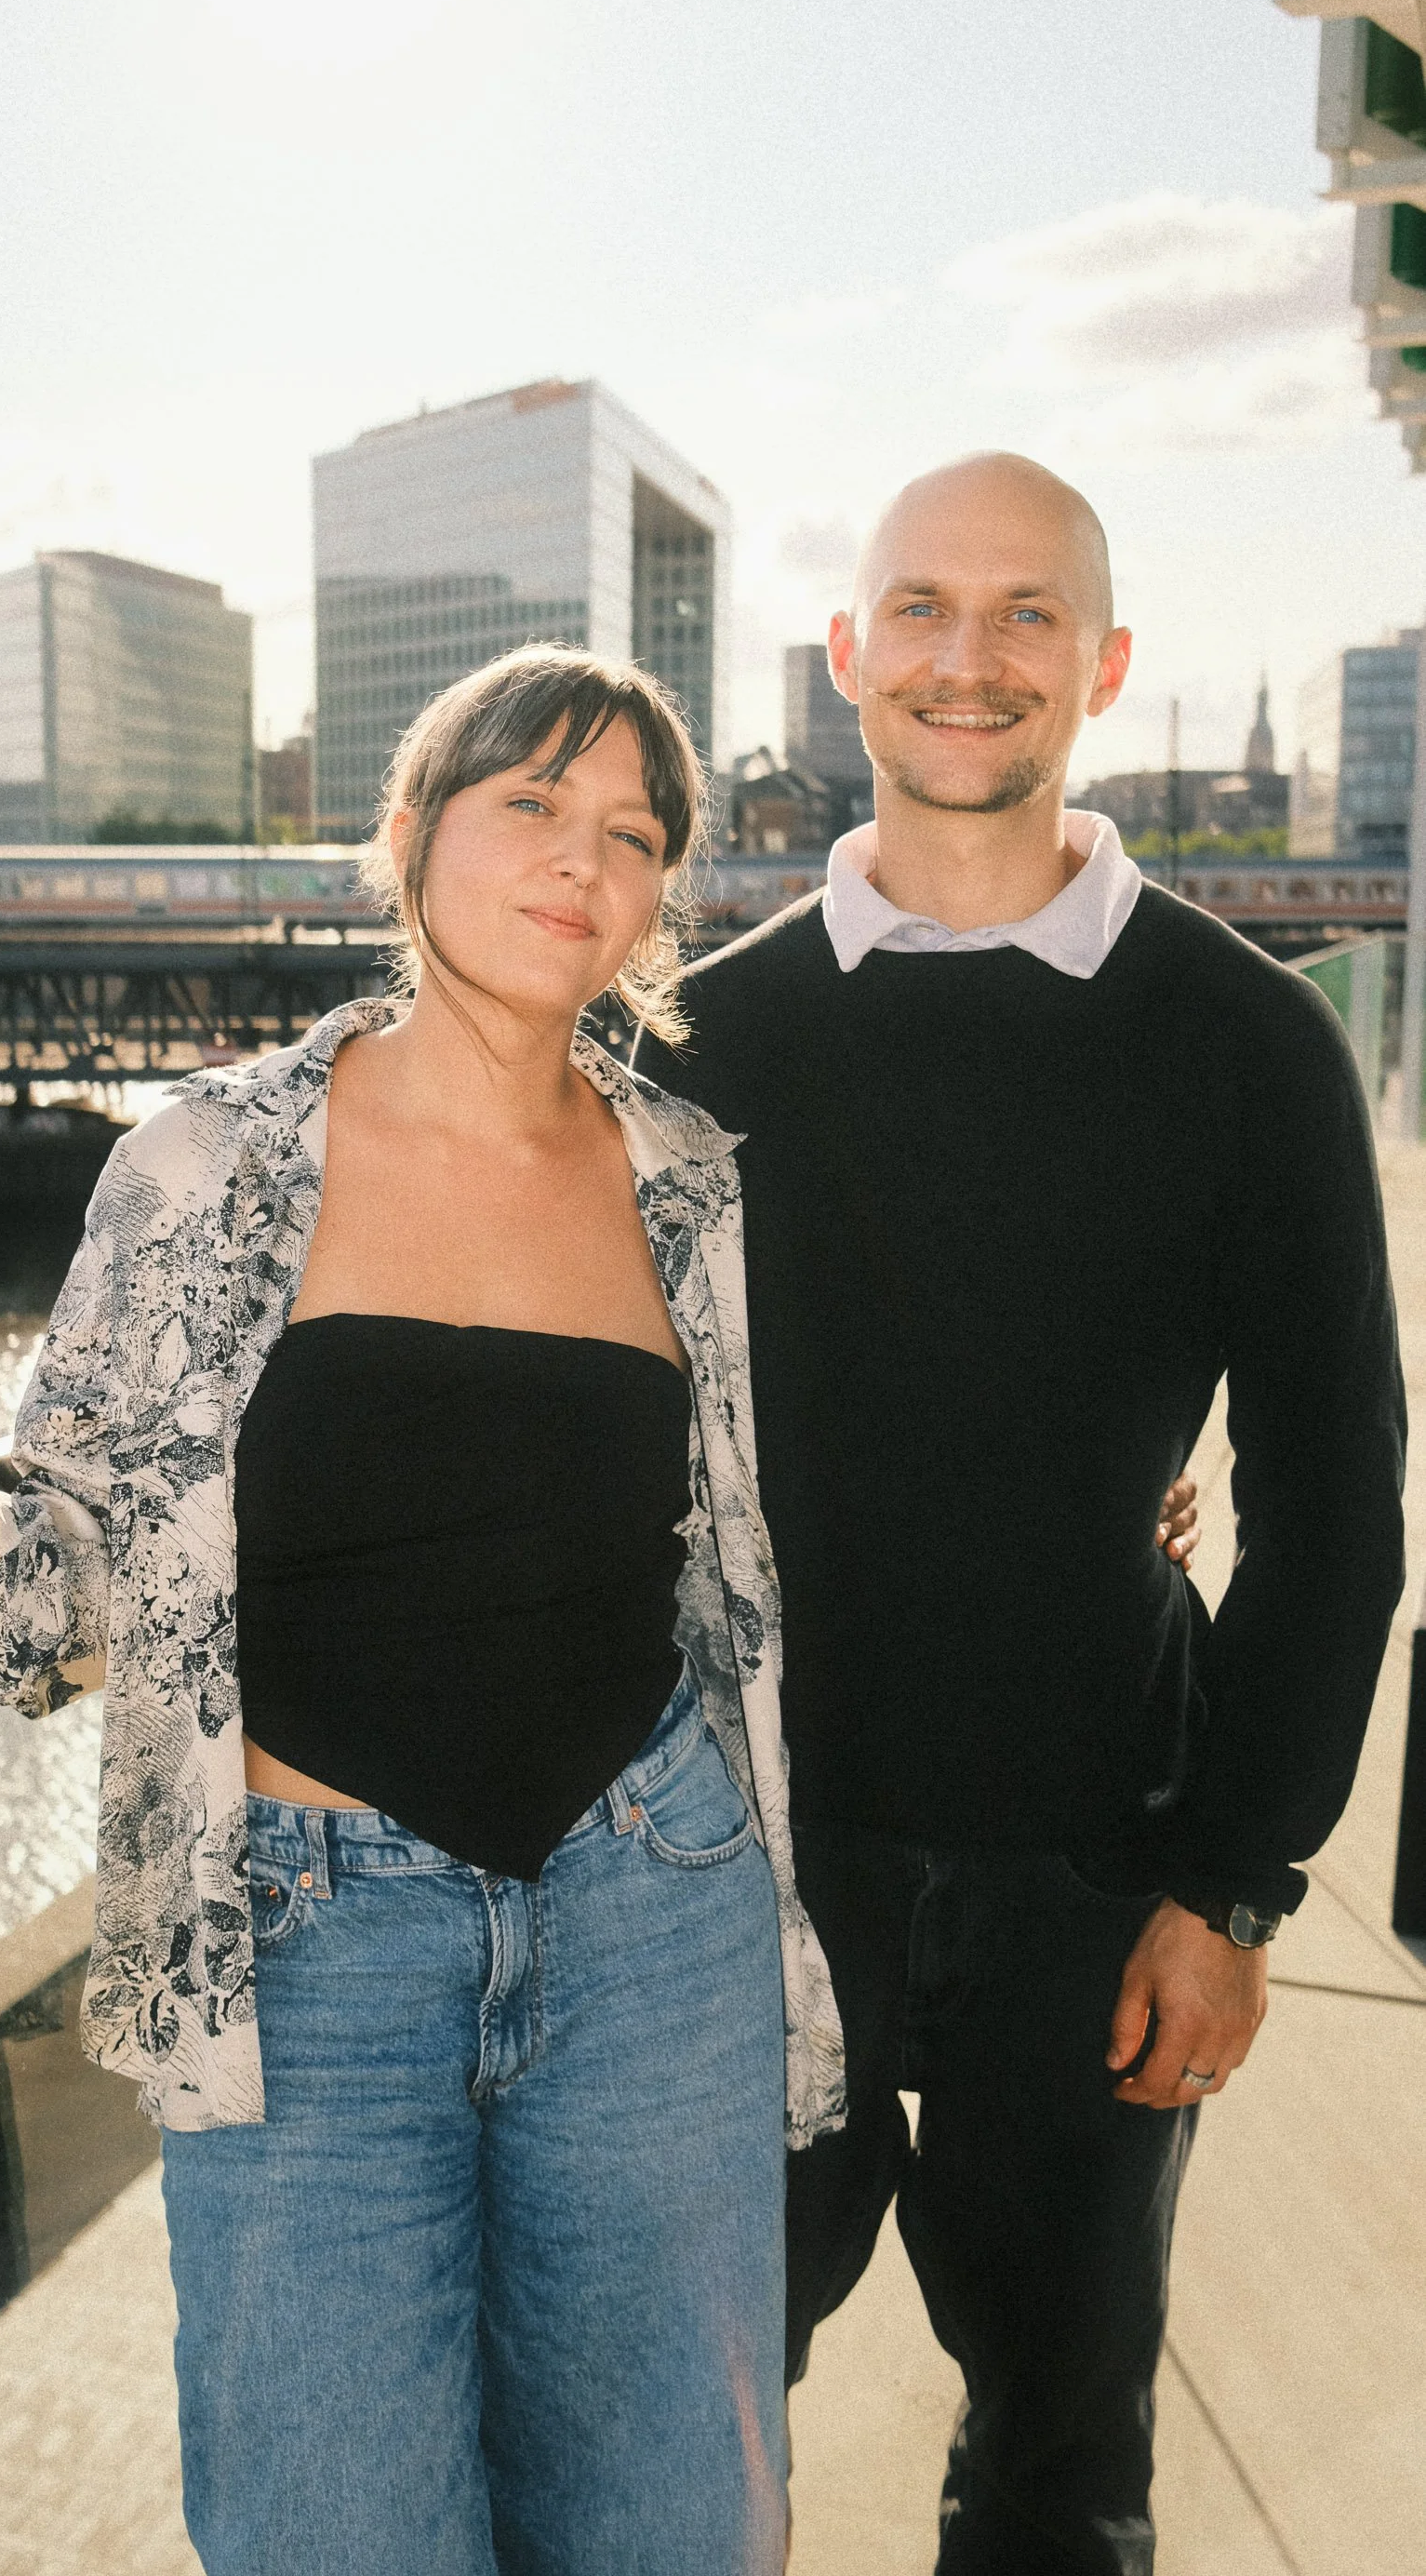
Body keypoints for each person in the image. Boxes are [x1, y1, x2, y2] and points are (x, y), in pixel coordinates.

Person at [0, 648, 847, 2576]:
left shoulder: (684, 1182)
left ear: (659, 901)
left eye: (633, 833)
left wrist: (1120, 1484)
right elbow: (82, 1570)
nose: (581, 860)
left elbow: (758, 1524)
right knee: (332, 2525)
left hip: (655, 1907)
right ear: (412, 834)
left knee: (678, 2524)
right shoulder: (207, 1162)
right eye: (530, 804)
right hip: (313, 1949)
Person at [636, 452, 1406, 2576]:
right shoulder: (696, 1037)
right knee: (673, 2441)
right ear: (848, 652)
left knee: (1066, 2476)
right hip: (748, 1870)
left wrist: (1233, 1877)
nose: (969, 662)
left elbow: (1338, 1493)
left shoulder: (1251, 1047)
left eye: (1028, 614)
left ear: (1106, 661)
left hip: (1100, 1865)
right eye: (923, 610)